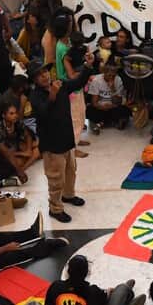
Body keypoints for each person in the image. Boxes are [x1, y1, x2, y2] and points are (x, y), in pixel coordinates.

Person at [29, 57, 94, 222]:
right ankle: (55, 208)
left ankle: (68, 195)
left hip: (66, 139)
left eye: (45, 72)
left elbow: (78, 83)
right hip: (51, 145)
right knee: (55, 178)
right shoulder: (35, 95)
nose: (44, 76)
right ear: (34, 80)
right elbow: (43, 113)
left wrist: (87, 65)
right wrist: (52, 95)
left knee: (71, 171)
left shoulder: (61, 84)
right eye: (39, 75)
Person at [45, 254, 141, 305]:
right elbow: (107, 297)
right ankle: (124, 300)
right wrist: (110, 290)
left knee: (96, 304)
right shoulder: (92, 291)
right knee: (121, 289)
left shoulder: (55, 287)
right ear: (87, 272)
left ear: (68, 271)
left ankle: (122, 304)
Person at [85, 60, 132, 132]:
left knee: (125, 110)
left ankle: (102, 122)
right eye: (109, 75)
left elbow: (118, 102)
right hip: (100, 107)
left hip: (113, 106)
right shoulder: (96, 80)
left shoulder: (118, 80)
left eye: (113, 75)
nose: (111, 77)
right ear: (104, 72)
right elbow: (94, 102)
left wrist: (112, 89)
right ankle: (110, 122)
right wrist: (102, 107)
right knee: (90, 110)